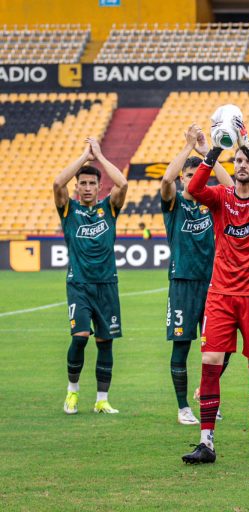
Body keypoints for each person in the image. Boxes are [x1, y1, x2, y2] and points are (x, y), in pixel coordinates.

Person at [181, 110, 249, 463]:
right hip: (221, 294)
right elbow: (194, 188)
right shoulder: (221, 198)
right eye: (237, 160)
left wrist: (247, 144)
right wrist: (213, 152)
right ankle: (206, 442)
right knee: (210, 360)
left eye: (246, 160)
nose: (241, 164)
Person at [160, 124, 233, 425]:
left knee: (221, 347)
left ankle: (206, 393)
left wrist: (208, 155)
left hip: (216, 284)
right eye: (188, 175)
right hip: (183, 284)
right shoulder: (174, 204)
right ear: (182, 179)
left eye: (197, 175)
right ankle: (182, 407)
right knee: (182, 344)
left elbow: (231, 188)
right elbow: (166, 179)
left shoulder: (213, 202)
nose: (193, 180)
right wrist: (188, 147)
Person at [54, 137, 128, 415]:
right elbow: (56, 184)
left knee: (104, 341)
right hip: (79, 285)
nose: (86, 188)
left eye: (91, 183)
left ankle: (101, 399)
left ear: (99, 187)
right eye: (82, 183)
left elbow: (122, 184)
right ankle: (72, 393)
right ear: (77, 187)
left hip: (107, 284)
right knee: (81, 335)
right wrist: (84, 157)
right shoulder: (68, 209)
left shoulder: (108, 208)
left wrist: (100, 156)